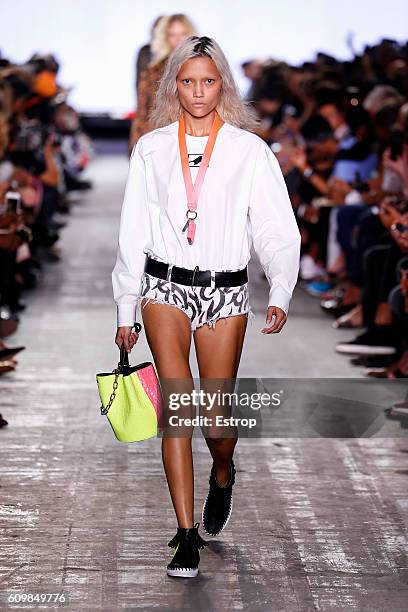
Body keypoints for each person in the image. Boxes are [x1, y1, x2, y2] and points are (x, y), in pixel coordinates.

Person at [112, 36, 301, 579]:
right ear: (174, 84)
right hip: (164, 289)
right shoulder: (150, 149)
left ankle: (223, 469)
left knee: (214, 420)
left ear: (224, 85)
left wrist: (282, 290)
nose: (198, 92)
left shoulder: (248, 150)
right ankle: (185, 533)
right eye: (188, 81)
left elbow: (273, 226)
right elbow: (133, 231)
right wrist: (127, 307)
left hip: (225, 292)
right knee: (178, 410)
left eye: (209, 81)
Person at [128, 13, 197, 154]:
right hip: (159, 143)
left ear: (191, 35)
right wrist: (137, 146)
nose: (178, 40)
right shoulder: (152, 72)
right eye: (173, 35)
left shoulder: (204, 69)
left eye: (183, 34)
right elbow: (143, 111)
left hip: (195, 141)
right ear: (165, 38)